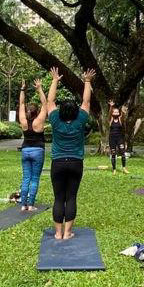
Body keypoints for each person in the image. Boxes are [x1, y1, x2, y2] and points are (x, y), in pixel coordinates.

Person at [46, 67, 94, 240]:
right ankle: (68, 233)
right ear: (75, 111)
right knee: (71, 197)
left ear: (61, 111)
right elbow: (86, 102)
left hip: (58, 163)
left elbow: (49, 102)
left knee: (59, 198)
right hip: (75, 163)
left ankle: (58, 233)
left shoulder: (55, 119)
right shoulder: (80, 119)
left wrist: (55, 80)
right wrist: (87, 81)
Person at [18, 78, 47, 211]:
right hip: (38, 151)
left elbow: (21, 102)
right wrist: (39, 88)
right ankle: (30, 205)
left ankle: (23, 205)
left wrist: (23, 89)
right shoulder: (39, 121)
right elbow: (45, 104)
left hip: (25, 151)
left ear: (28, 112)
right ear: (37, 112)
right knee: (34, 179)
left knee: (26, 178)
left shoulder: (23, 120)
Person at [107, 100, 129, 175]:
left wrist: (122, 111)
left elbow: (122, 116)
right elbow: (109, 114)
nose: (116, 113)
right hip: (112, 139)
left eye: (117, 112)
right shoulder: (110, 120)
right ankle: (114, 169)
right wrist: (111, 106)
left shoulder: (120, 119)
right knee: (113, 154)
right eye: (114, 112)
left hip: (120, 139)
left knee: (123, 153)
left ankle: (124, 168)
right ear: (113, 113)